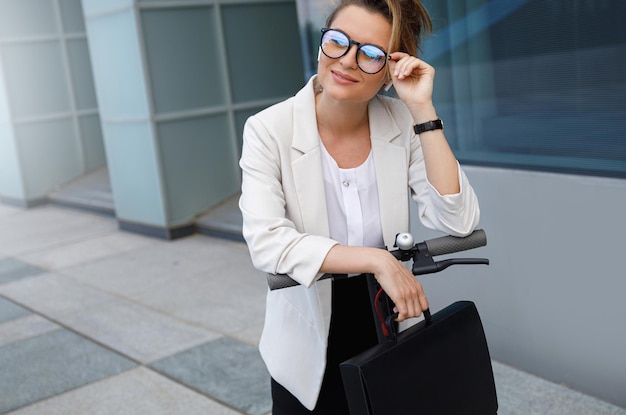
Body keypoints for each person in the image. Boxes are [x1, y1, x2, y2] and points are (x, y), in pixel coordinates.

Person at [239, 0, 480, 413]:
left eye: (370, 54)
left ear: (392, 70)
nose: (347, 61)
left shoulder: (401, 121)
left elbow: (458, 220)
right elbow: (267, 243)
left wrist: (422, 109)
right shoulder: (268, 130)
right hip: (307, 330)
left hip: (385, 321)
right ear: (322, 42)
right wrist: (376, 259)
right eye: (338, 41)